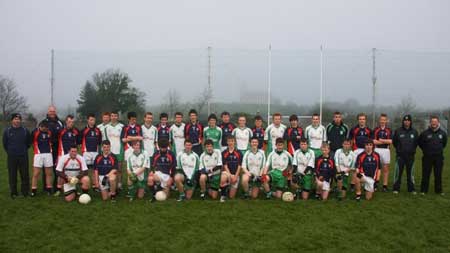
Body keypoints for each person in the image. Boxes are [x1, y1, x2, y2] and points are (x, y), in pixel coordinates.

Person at [3, 113, 31, 198]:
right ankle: (13, 192)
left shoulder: (25, 130)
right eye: (15, 119)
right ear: (12, 120)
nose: (17, 120)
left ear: (20, 120)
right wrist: (11, 151)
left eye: (18, 119)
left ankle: (25, 192)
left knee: (25, 175)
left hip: (23, 156)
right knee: (12, 175)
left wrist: (22, 150)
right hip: (12, 157)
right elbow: (5, 144)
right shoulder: (7, 131)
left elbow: (28, 143)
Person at [418, 115, 447, 195]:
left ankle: (438, 190)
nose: (434, 123)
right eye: (432, 122)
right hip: (427, 157)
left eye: (435, 122)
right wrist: (426, 151)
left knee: (438, 174)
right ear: (430, 123)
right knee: (426, 174)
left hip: (439, 157)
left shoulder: (443, 133)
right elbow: (420, 143)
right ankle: (423, 190)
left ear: (438, 123)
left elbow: (444, 144)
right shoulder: (424, 133)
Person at [392, 115, 419, 194]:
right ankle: (396, 188)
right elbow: (394, 143)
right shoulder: (398, 131)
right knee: (398, 173)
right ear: (403, 121)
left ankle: (411, 189)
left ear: (410, 122)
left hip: (410, 156)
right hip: (400, 156)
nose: (406, 122)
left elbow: (416, 143)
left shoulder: (414, 132)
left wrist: (411, 150)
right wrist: (400, 150)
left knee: (410, 174)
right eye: (405, 120)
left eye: (408, 120)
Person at [55, 114, 80, 195]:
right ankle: (59, 189)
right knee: (60, 172)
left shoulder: (76, 131)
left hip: (72, 155)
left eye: (72, 122)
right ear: (66, 122)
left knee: (74, 171)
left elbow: (78, 142)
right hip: (62, 154)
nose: (71, 123)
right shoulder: (61, 131)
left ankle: (74, 188)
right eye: (69, 122)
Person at [41, 105, 64, 192]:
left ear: (55, 112)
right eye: (50, 111)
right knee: (46, 169)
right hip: (46, 150)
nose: (52, 113)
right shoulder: (43, 122)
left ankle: (56, 187)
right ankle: (46, 188)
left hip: (58, 150)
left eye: (53, 111)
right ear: (48, 112)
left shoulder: (60, 122)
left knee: (57, 169)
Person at [349, 113, 372, 191]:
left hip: (365, 150)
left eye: (363, 119)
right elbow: (351, 140)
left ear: (365, 120)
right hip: (356, 150)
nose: (361, 120)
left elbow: (371, 142)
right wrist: (352, 150)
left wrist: (369, 150)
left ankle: (364, 183)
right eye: (360, 119)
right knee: (355, 167)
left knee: (364, 167)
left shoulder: (369, 130)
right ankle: (353, 184)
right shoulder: (353, 129)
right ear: (358, 120)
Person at [31, 121, 53, 196]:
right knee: (36, 173)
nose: (46, 129)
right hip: (38, 154)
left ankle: (49, 190)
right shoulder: (35, 132)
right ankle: (33, 191)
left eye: (47, 127)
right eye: (44, 127)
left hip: (48, 154)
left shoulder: (49, 132)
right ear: (40, 126)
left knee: (49, 173)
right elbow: (31, 142)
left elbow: (51, 141)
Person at [80, 113, 102, 190]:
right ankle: (84, 184)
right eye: (91, 120)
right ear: (88, 120)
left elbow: (99, 142)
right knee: (85, 170)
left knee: (94, 169)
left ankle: (94, 185)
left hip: (95, 152)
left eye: (93, 120)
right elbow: (79, 141)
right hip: (86, 152)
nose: (92, 121)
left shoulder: (98, 130)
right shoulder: (84, 130)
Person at [372, 114, 393, 192]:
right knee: (376, 168)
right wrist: (384, 141)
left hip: (386, 150)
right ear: (379, 120)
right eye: (381, 120)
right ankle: (375, 184)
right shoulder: (376, 130)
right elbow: (374, 141)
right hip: (377, 150)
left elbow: (390, 141)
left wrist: (381, 140)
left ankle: (385, 185)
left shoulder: (389, 130)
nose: (382, 121)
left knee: (385, 168)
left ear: (386, 121)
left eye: (384, 120)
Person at [105, 111, 124, 192]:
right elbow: (106, 140)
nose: (114, 117)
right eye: (112, 116)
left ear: (118, 117)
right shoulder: (106, 127)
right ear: (110, 117)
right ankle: (109, 184)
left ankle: (119, 184)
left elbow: (123, 139)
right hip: (110, 151)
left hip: (119, 150)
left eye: (115, 116)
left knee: (119, 169)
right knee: (109, 168)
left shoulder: (122, 126)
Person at [220, 136, 243, 202]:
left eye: (232, 141)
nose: (230, 143)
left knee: (231, 196)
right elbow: (225, 166)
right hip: (227, 173)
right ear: (227, 142)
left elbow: (239, 166)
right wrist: (230, 175)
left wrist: (235, 176)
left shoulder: (239, 152)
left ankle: (227, 187)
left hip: (236, 175)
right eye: (229, 141)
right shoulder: (224, 152)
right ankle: (223, 195)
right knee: (223, 177)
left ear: (234, 142)